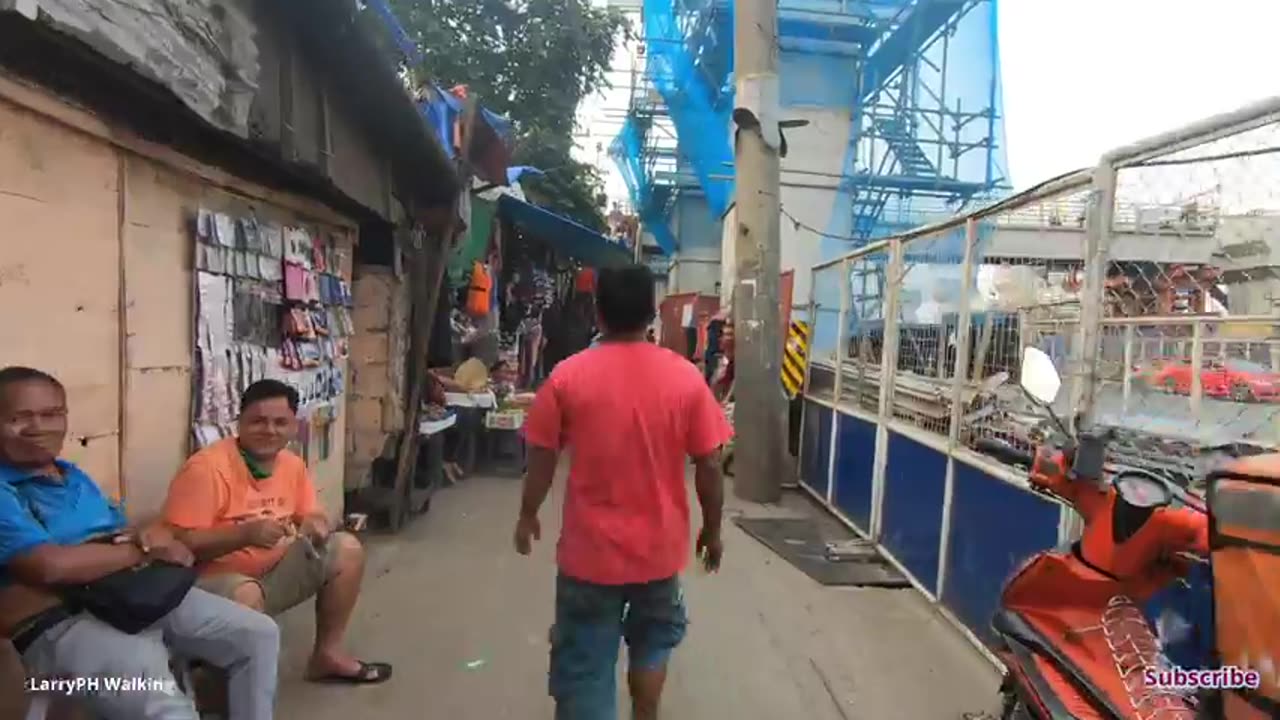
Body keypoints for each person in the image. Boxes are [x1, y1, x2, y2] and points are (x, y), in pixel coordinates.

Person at [513, 264, 734, 720]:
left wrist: (528, 513)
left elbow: (542, 457)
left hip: (589, 557)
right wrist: (712, 531)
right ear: (651, 314)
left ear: (598, 314)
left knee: (586, 669)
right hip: (658, 554)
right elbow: (709, 463)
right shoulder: (684, 378)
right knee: (652, 644)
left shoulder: (566, 377)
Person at [0, 366, 279, 720]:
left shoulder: (70, 474)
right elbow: (48, 565)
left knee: (257, 634)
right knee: (165, 705)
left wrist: (149, 536)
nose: (38, 428)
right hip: (59, 621)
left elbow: (123, 529)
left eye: (51, 414)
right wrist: (139, 550)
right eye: (19, 417)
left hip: (127, 596)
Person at [162, 380, 391, 685]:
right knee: (247, 593)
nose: (269, 430)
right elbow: (179, 545)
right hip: (207, 585)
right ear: (239, 422)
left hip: (273, 573)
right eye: (258, 421)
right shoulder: (206, 469)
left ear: (294, 427)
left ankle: (327, 655)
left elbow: (312, 513)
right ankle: (219, 689)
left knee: (346, 549)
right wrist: (244, 534)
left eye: (280, 422)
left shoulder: (291, 465)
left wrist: (316, 525)